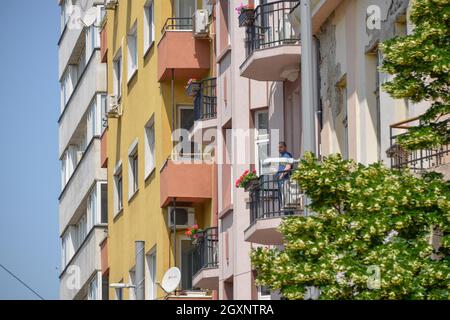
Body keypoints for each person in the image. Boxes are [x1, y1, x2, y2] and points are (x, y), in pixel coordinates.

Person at [276, 142, 293, 214]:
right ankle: (286, 214)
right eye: (278, 147)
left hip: (285, 180)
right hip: (281, 181)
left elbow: (288, 166)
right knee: (283, 199)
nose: (279, 149)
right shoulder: (281, 156)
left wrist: (282, 175)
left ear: (285, 147)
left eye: (281, 147)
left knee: (286, 198)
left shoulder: (287, 155)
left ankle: (289, 214)